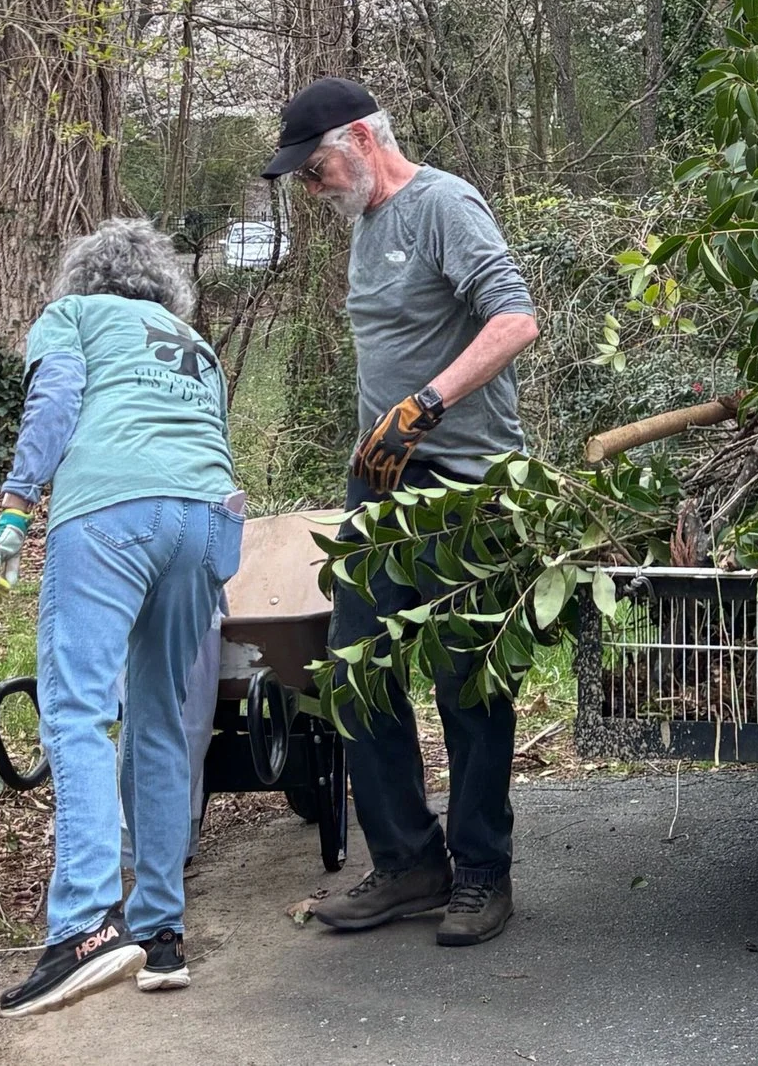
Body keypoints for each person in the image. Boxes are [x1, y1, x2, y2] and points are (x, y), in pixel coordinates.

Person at [261, 77, 542, 946]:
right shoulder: (367, 226)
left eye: (316, 169)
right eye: (304, 179)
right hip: (381, 487)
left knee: (468, 679)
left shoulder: (444, 204)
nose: (313, 189)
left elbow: (515, 319)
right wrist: (379, 439)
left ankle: (483, 873)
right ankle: (409, 864)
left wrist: (425, 404)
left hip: (465, 487)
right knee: (356, 669)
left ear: (362, 137)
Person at [0, 218, 244, 1015]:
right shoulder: (198, 346)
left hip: (109, 513)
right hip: (206, 521)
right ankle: (159, 930)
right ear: (163, 286)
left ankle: (85, 925)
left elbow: (57, 399)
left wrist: (17, 504)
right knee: (162, 719)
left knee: (78, 712)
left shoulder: (74, 316)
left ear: (82, 278)